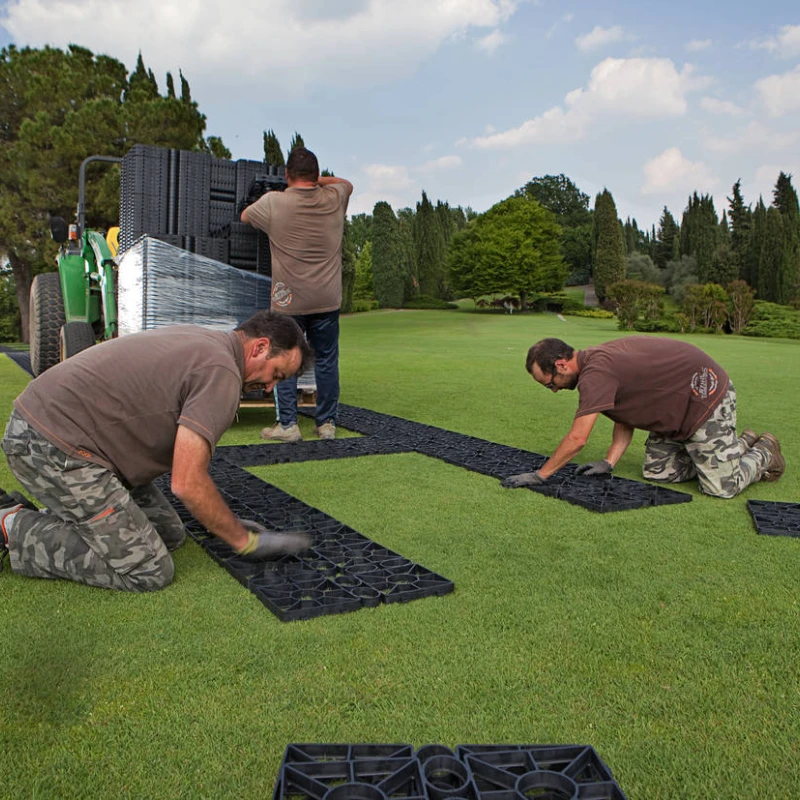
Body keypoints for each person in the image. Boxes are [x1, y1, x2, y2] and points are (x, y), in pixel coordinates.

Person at [0, 311, 314, 592]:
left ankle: (56, 518)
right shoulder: (223, 373)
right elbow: (186, 482)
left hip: (73, 439)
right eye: (276, 375)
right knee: (149, 570)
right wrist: (244, 542)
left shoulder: (208, 342)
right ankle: (11, 526)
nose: (270, 388)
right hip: (51, 446)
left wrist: (226, 522)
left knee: (169, 533)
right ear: (259, 348)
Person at [501, 336, 785, 498]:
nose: (552, 390)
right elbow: (624, 413)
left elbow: (578, 439)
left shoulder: (595, 374)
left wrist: (541, 475)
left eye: (549, 383)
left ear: (561, 365)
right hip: (673, 413)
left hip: (705, 400)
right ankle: (735, 446)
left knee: (721, 488)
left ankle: (763, 452)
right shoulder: (596, 363)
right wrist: (609, 461)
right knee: (657, 472)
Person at [241, 147, 353, 443]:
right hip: (327, 299)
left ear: (287, 175)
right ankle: (326, 424)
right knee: (327, 360)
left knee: (283, 356)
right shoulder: (334, 198)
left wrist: (284, 188)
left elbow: (244, 216)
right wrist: (320, 182)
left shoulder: (274, 204)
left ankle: (288, 425)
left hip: (289, 301)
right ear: (317, 176)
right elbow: (347, 184)